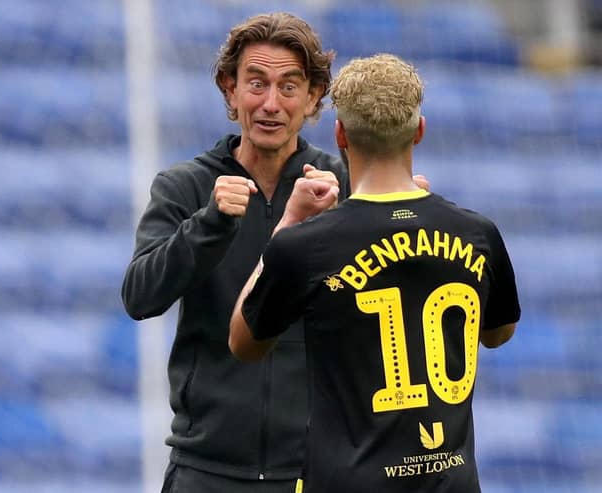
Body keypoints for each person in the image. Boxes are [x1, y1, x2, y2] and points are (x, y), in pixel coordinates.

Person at [121, 12, 428, 493]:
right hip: (205, 470)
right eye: (256, 83)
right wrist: (211, 223)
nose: (270, 103)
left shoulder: (345, 187)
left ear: (312, 99)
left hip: (318, 469)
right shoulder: (186, 186)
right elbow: (140, 297)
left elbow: (397, 307)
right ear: (229, 90)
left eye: (289, 87)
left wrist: (394, 220)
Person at [229, 53, 521, 493]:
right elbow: (498, 333)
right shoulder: (477, 233)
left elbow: (243, 343)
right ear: (420, 131)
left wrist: (288, 221)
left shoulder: (306, 245)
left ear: (340, 133)